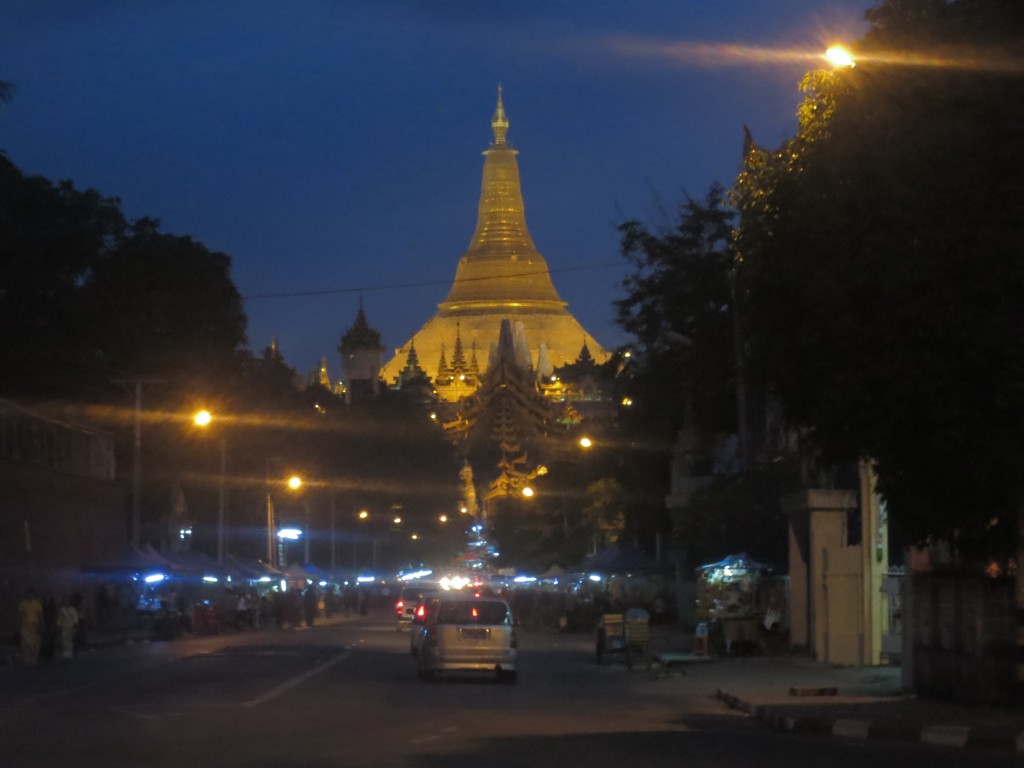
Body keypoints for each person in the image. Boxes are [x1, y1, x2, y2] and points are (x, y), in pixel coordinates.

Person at [17, 588, 44, 666]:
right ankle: (26, 659)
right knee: (25, 642)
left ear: (34, 595)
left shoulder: (37, 603)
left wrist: (42, 626)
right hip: (25, 624)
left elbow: (40, 616)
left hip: (35, 625)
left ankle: (33, 659)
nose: (29, 596)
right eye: (28, 594)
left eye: (31, 594)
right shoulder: (23, 603)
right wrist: (17, 625)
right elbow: (19, 615)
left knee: (35, 642)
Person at [56, 596, 79, 660]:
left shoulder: (73, 609)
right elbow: (60, 619)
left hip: (70, 626)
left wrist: (76, 627)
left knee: (70, 641)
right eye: (65, 601)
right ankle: (65, 654)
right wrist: (58, 627)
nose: (67, 602)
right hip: (64, 626)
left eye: (68, 601)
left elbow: (75, 619)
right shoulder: (61, 610)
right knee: (64, 640)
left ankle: (69, 654)